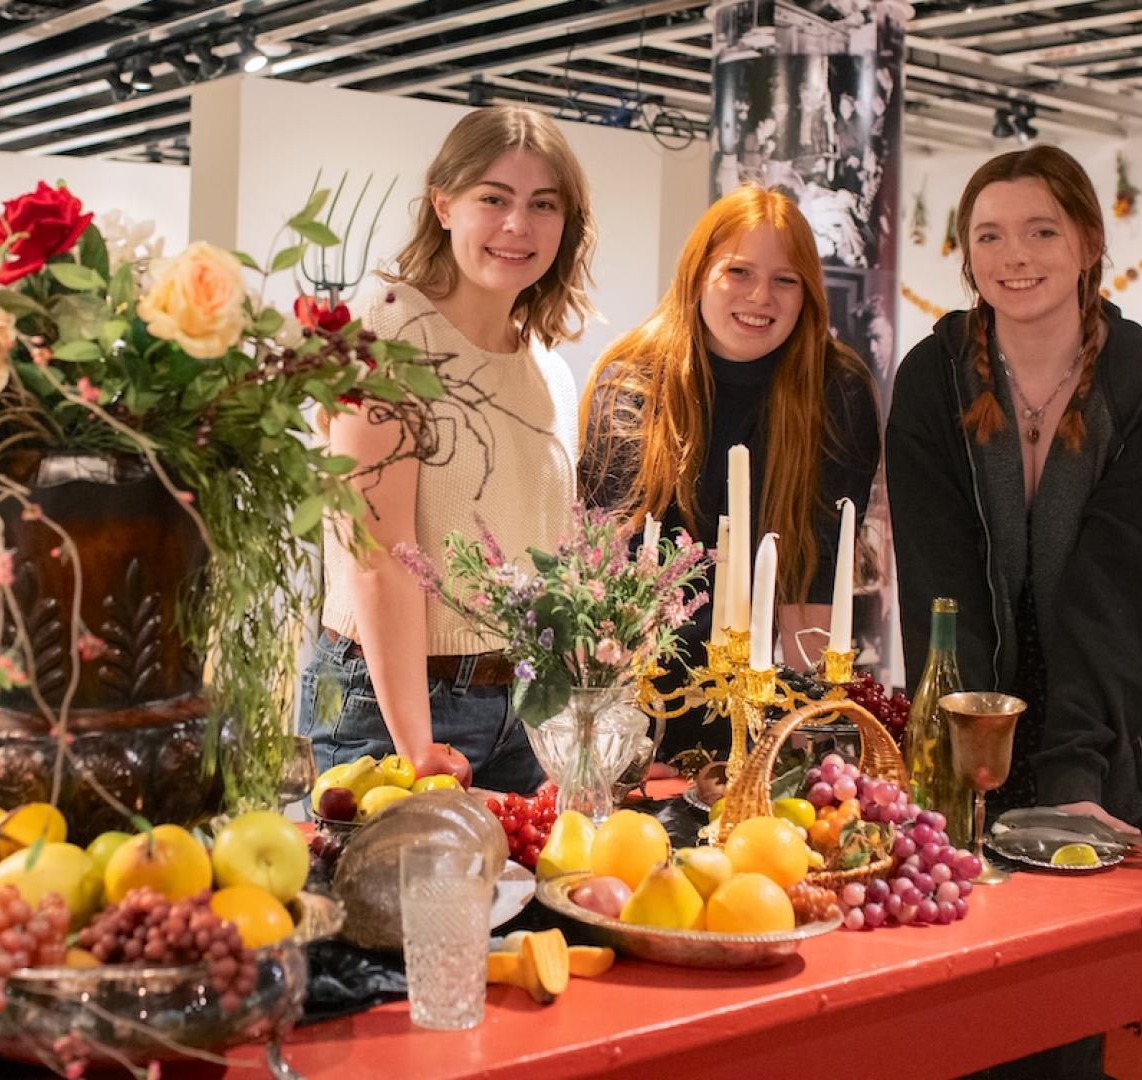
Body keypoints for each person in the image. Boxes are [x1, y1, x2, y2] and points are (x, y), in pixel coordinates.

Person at [886, 145, 1142, 1077]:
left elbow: (1128, 604)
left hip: (1109, 736)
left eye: (1040, 230)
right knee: (974, 1022)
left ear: (1088, 243)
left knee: (1097, 1021)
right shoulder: (935, 380)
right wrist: (962, 757)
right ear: (966, 253)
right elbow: (940, 591)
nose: (1013, 256)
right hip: (971, 738)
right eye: (989, 234)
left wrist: (1078, 775)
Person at [300, 105, 595, 793]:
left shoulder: (549, 369)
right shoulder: (385, 339)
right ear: (443, 204)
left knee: (525, 903)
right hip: (390, 702)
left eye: (543, 204)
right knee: (397, 901)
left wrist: (569, 718)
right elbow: (379, 560)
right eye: (494, 198)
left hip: (523, 705)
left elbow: (552, 562)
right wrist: (415, 747)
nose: (518, 225)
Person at [579, 184, 880, 761]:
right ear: (696, 276)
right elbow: (609, 579)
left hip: (768, 699)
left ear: (808, 295)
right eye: (738, 272)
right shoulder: (631, 383)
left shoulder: (834, 392)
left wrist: (800, 744)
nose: (760, 296)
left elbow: (813, 582)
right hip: (642, 697)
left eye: (785, 280)